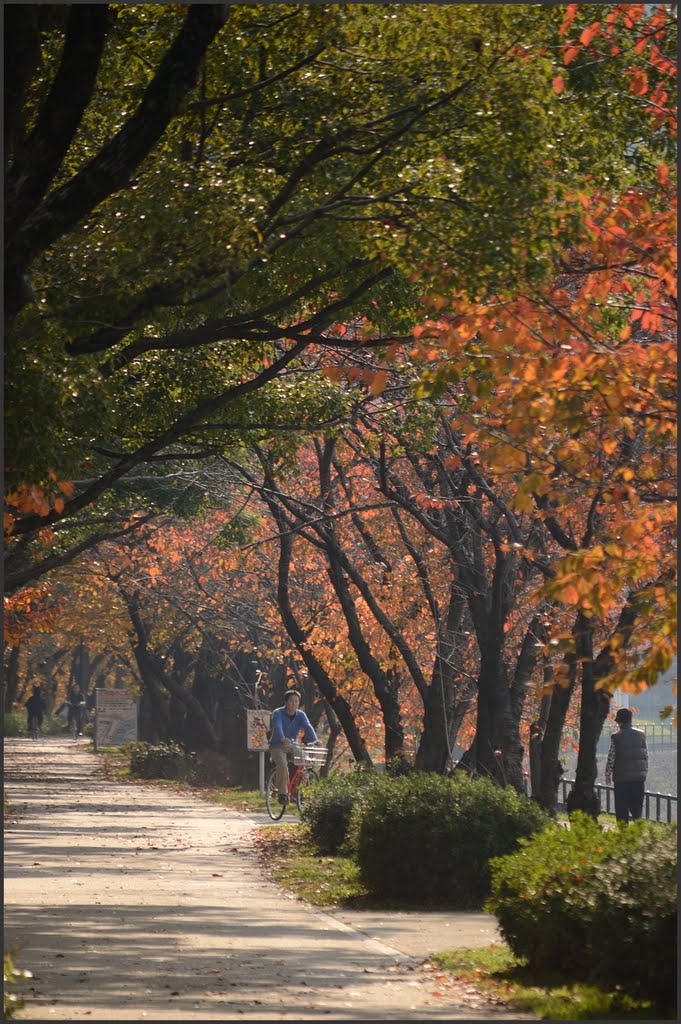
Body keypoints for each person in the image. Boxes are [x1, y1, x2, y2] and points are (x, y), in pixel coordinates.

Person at [268, 689, 318, 805]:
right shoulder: (278, 713)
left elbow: (308, 726)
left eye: (296, 701)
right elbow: (278, 726)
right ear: (286, 702)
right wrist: (282, 738)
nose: (294, 704)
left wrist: (315, 740)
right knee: (282, 764)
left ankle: (299, 792)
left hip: (293, 745)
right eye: (291, 701)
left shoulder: (300, 715)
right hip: (277, 745)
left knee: (305, 760)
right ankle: (282, 794)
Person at [605, 707, 648, 823]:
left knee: (621, 808)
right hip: (638, 779)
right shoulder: (641, 735)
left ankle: (623, 833)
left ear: (620, 721)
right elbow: (645, 756)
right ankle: (638, 829)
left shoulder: (616, 737)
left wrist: (607, 774)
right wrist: (644, 773)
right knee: (637, 807)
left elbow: (611, 757)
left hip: (621, 779)